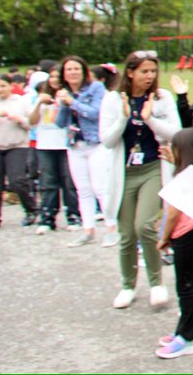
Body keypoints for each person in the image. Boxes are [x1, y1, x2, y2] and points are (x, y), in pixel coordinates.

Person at [100, 49, 181, 309]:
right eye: (144, 71)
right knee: (125, 233)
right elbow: (107, 140)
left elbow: (176, 132)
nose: (150, 76)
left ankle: (156, 282)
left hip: (152, 168)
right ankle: (128, 285)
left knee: (144, 225)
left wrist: (150, 119)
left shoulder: (161, 97)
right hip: (124, 172)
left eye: (153, 71)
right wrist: (124, 117)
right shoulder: (114, 99)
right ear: (131, 72)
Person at [155, 127, 193, 359]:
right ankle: (185, 328)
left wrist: (164, 238)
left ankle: (188, 336)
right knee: (188, 284)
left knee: (185, 286)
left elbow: (172, 214)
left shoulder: (183, 178)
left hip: (183, 235)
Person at [56, 55, 116, 247]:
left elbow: (96, 113)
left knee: (101, 187)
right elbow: (59, 123)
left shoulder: (96, 88)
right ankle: (88, 229)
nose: (73, 73)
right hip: (75, 145)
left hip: (96, 143)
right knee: (83, 190)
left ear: (84, 72)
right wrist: (64, 104)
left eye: (76, 69)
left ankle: (112, 228)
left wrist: (72, 102)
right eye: (68, 70)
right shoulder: (64, 92)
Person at [0, 74, 37, 231]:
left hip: (17, 145)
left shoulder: (21, 102)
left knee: (17, 180)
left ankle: (31, 209)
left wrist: (20, 120)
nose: (0, 89)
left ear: (11, 86)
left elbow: (32, 123)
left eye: (3, 86)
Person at [30, 65, 82, 234]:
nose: (54, 80)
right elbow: (31, 121)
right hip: (45, 144)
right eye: (51, 76)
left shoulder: (69, 96)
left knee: (69, 182)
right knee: (48, 182)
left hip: (66, 144)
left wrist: (65, 101)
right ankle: (47, 217)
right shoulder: (41, 97)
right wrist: (39, 102)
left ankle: (74, 215)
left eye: (57, 76)